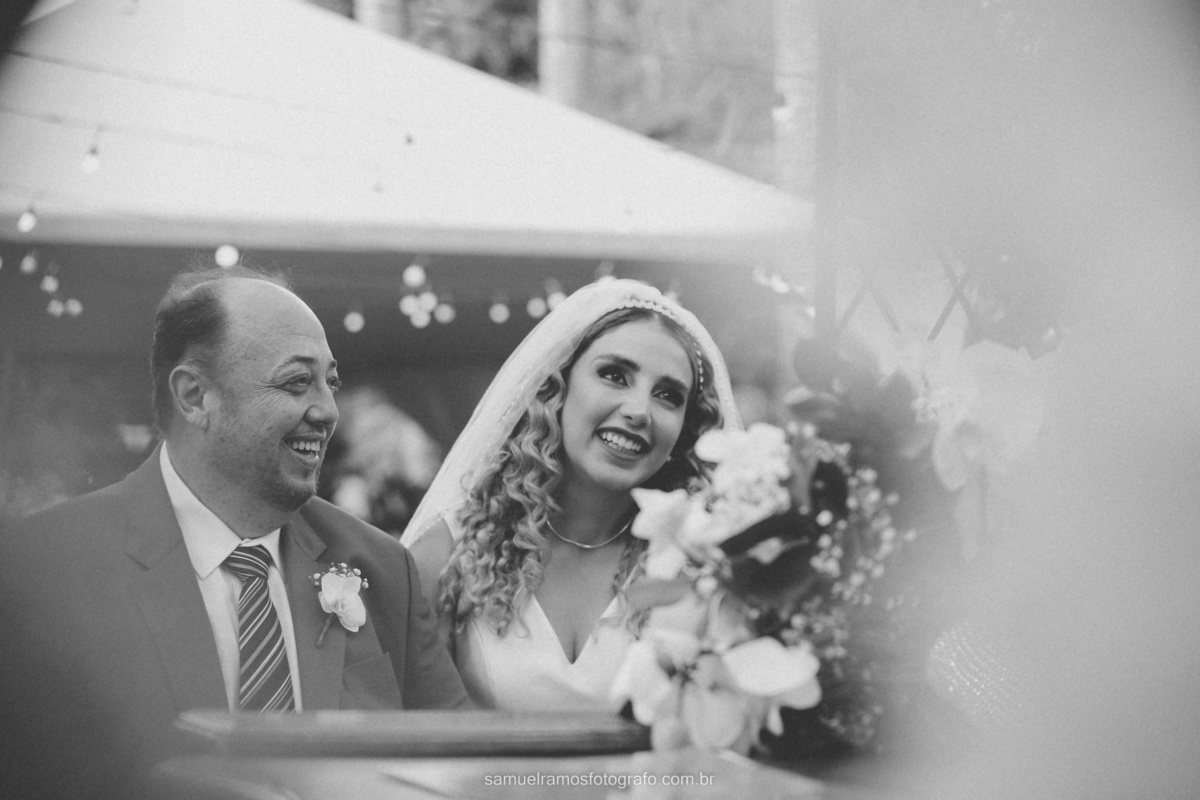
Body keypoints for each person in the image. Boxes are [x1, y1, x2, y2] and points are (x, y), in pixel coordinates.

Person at [0, 266, 468, 798]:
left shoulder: (382, 571)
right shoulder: (45, 572)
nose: (327, 411)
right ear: (194, 396)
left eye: (330, 383)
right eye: (297, 382)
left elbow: (459, 768)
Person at [401, 279, 741, 710]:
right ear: (556, 388)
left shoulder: (700, 569)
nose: (640, 411)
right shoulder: (446, 555)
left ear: (685, 429)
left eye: (668, 396)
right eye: (614, 375)